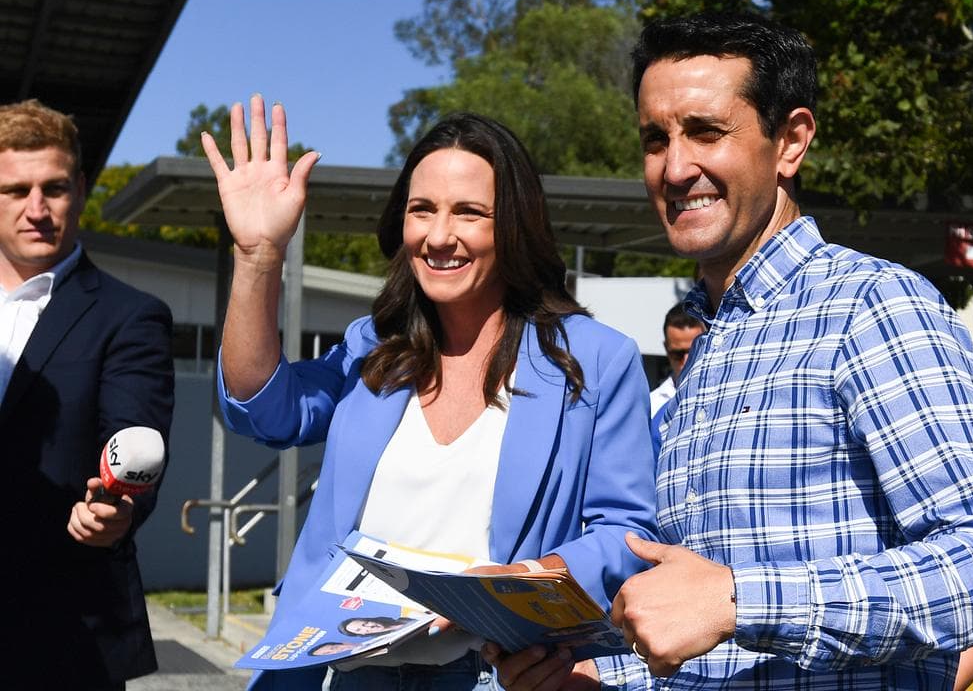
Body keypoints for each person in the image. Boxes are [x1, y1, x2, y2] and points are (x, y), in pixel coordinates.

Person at [489, 11, 973, 691]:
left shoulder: (870, 307)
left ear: (791, 142)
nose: (675, 166)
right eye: (654, 139)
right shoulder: (708, 344)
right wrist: (589, 675)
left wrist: (740, 601)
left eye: (705, 132)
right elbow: (703, 635)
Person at [203, 98, 657, 690]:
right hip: (333, 669)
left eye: (469, 213)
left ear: (514, 225)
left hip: (491, 674)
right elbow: (261, 407)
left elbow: (626, 532)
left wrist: (520, 582)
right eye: (422, 210)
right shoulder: (373, 346)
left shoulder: (596, 358)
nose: (439, 236)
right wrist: (258, 256)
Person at [1, 99, 174, 689]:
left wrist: (117, 511)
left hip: (66, 632)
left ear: (79, 188)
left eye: (53, 187)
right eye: (15, 189)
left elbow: (133, 442)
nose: (36, 208)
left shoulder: (131, 317)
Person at [648, 303, 705, 416]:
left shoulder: (725, 395)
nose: (686, 360)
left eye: (694, 351)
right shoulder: (652, 406)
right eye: (677, 354)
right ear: (666, 348)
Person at [340, 616, 414, 637]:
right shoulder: (390, 640)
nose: (368, 627)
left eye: (365, 623)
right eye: (359, 630)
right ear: (362, 634)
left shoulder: (404, 617)